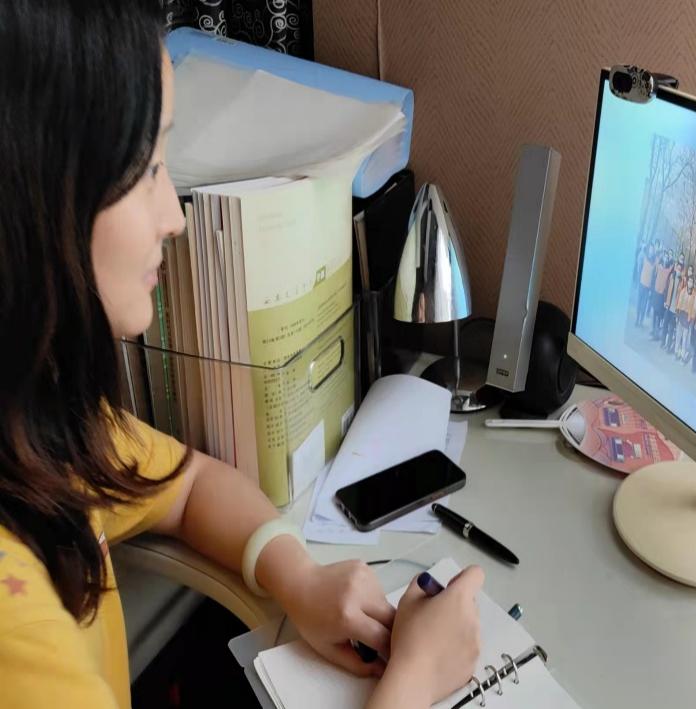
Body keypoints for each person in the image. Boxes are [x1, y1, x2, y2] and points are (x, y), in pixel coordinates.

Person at [0, 4, 481, 708]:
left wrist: (299, 578)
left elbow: (188, 485)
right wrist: (413, 680)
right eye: (145, 168)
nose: (175, 217)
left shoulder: (42, 428)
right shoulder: (16, 639)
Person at [662, 254, 685, 351]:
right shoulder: (672, 276)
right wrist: (665, 301)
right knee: (665, 326)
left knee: (671, 329)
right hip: (668, 306)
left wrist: (678, 309)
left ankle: (668, 346)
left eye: (680, 269)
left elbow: (681, 297)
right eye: (677, 268)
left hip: (674, 309)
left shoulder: (682, 282)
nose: (678, 270)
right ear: (675, 268)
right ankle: (663, 342)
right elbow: (666, 288)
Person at [650, 250, 673, 339]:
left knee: (659, 315)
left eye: (667, 257)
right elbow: (656, 261)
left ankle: (656, 333)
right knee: (654, 313)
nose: (665, 258)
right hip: (656, 293)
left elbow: (672, 267)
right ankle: (653, 330)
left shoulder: (667, 270)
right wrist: (661, 256)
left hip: (661, 295)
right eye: (664, 257)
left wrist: (671, 259)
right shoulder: (659, 267)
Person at [635, 240, 657, 327]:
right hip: (641, 283)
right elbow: (639, 268)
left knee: (644, 305)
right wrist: (639, 280)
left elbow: (654, 276)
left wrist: (652, 289)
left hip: (648, 287)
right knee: (639, 303)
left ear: (654, 251)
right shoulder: (644, 257)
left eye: (652, 249)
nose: (651, 250)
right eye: (650, 249)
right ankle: (637, 319)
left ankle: (641, 320)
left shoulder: (654, 262)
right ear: (649, 249)